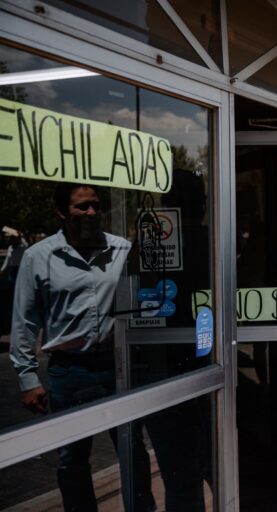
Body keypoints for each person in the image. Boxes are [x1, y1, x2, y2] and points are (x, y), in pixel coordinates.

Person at [9, 183, 156, 512]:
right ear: (61, 213)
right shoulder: (38, 257)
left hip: (116, 367)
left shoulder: (122, 249)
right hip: (68, 372)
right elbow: (24, 322)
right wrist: (28, 378)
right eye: (82, 207)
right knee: (72, 461)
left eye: (96, 205)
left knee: (132, 452)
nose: (91, 213)